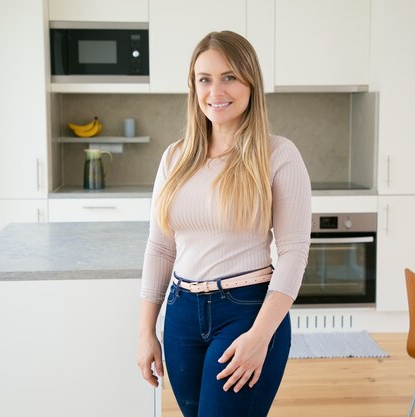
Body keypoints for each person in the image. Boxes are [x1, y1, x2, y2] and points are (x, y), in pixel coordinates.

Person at [137, 30, 311, 417]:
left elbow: (295, 253)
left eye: (229, 76)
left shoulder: (277, 154)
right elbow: (160, 247)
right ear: (193, 87)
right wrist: (146, 331)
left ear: (251, 82)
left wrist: (260, 336)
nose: (216, 90)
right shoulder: (175, 157)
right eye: (205, 79)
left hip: (246, 311)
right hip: (181, 314)